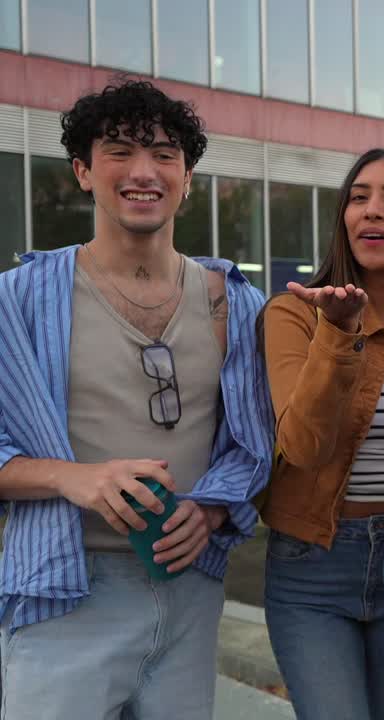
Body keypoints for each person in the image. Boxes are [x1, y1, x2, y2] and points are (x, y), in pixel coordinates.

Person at [0, 79, 273, 719]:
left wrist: (211, 511)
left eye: (164, 154)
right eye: (119, 151)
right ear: (82, 172)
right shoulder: (19, 299)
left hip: (191, 592)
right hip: (64, 593)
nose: (144, 172)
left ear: (188, 177)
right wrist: (73, 478)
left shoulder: (235, 302)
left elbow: (257, 442)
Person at [255, 148, 384, 720]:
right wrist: (338, 334)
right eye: (359, 197)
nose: (372, 210)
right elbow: (303, 444)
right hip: (311, 565)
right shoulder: (294, 314)